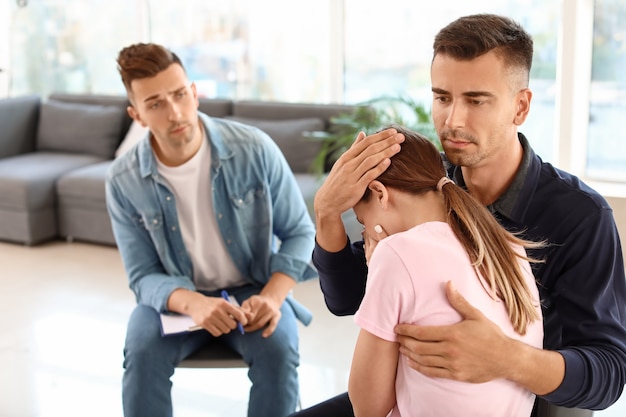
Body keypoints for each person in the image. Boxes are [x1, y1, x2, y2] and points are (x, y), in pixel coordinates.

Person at [291, 13, 626, 417]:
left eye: (476, 100)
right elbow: (349, 299)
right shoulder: (430, 184)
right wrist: (328, 215)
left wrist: (507, 358)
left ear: (520, 107)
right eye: (442, 97)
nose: (452, 121)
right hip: (418, 395)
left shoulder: (580, 215)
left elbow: (608, 374)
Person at [106, 42, 317, 417]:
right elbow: (142, 277)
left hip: (253, 289)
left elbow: (300, 231)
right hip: (178, 296)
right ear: (136, 114)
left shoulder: (254, 149)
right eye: (155, 103)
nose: (174, 112)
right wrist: (194, 303)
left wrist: (272, 296)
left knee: (279, 348)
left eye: (179, 95)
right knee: (140, 351)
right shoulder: (123, 180)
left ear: (194, 92)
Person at [348, 126, 544, 416]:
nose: (367, 233)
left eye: (363, 221)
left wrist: (379, 267)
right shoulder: (508, 247)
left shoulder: (396, 253)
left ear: (380, 194)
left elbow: (368, 407)